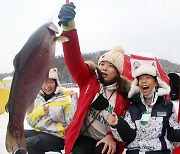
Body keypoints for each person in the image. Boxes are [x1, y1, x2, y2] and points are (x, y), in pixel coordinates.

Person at [58, 2, 131, 154]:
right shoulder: (89, 81)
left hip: (105, 140)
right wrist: (69, 27)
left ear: (118, 72)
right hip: (83, 136)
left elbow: (125, 122)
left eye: (110, 66)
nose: (104, 67)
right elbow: (74, 59)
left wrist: (111, 136)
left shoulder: (124, 95)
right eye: (102, 63)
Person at [107, 64, 180, 154]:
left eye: (148, 77)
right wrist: (118, 124)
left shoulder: (167, 106)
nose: (143, 81)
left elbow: (173, 133)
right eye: (140, 79)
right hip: (135, 151)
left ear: (156, 82)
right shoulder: (132, 107)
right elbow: (128, 136)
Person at [15, 68, 73, 154]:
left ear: (56, 83)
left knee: (29, 144)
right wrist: (39, 112)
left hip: (57, 136)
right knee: (16, 137)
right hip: (40, 131)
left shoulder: (64, 99)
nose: (47, 86)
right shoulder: (36, 98)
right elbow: (30, 121)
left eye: (51, 82)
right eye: (44, 82)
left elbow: (71, 122)